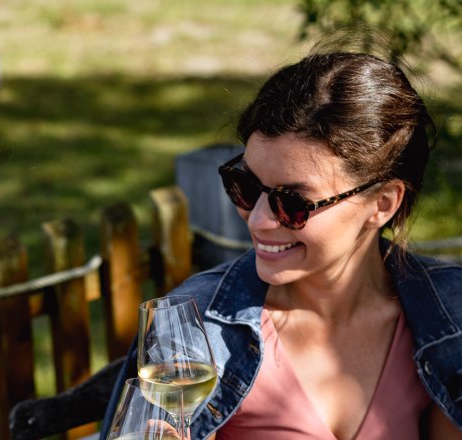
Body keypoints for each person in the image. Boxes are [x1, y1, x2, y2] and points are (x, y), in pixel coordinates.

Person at [102, 50, 462, 439]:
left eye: (293, 202)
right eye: (246, 185)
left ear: (382, 204)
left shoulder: (449, 312)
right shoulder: (196, 328)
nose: (258, 219)